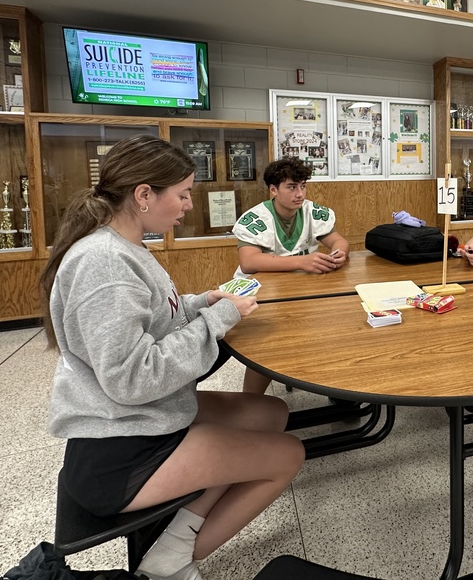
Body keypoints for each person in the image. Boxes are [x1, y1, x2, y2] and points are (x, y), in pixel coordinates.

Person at [41, 136, 303, 580]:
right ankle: (172, 562)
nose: (186, 206)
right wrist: (217, 319)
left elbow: (152, 313)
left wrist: (204, 301)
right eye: (181, 194)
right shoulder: (102, 262)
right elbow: (133, 377)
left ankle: (182, 521)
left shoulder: (124, 245)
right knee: (288, 455)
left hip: (144, 415)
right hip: (122, 445)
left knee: (268, 411)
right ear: (144, 195)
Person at [231, 156, 349, 394]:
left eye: (303, 186)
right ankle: (250, 400)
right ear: (273, 190)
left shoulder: (312, 211)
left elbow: (338, 240)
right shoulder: (255, 218)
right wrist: (302, 261)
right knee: (265, 343)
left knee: (334, 327)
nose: (300, 194)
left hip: (300, 288)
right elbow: (249, 261)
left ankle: (341, 391)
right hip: (258, 293)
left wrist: (340, 253)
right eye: (292, 187)